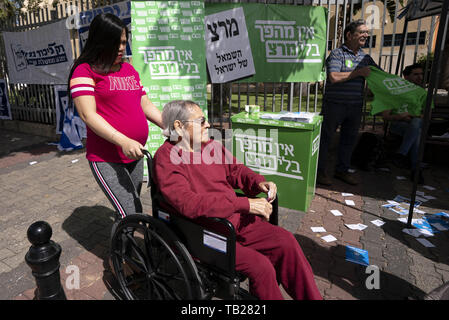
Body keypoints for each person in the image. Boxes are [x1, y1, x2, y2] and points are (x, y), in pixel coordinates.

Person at [153, 100, 323, 300]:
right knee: (262, 268)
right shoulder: (166, 158)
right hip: (205, 231)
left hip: (234, 220)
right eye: (201, 121)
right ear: (178, 126)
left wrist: (258, 183)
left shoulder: (209, 146)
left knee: (286, 242)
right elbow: (189, 204)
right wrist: (245, 204)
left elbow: (236, 170)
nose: (208, 125)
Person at [68, 13, 163, 231]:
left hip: (135, 154)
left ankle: (125, 253)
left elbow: (145, 104)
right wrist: (123, 140)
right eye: (115, 42)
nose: (121, 47)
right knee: (129, 211)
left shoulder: (128, 69)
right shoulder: (84, 71)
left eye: (123, 41)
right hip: (106, 157)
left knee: (133, 206)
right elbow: (88, 115)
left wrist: (169, 126)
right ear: (100, 41)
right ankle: (122, 262)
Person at [317, 19, 379, 186]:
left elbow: (378, 75)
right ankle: (320, 172)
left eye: (367, 32)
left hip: (355, 106)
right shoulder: (337, 54)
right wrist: (359, 73)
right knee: (325, 139)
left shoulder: (365, 57)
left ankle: (342, 171)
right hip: (334, 105)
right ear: (349, 35)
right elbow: (334, 77)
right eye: (362, 32)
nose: (366, 35)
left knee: (349, 140)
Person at [381, 64, 425, 183]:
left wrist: (411, 116)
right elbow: (385, 116)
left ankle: (401, 154)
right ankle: (416, 170)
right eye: (416, 74)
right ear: (406, 76)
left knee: (416, 125)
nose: (420, 77)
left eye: (421, 74)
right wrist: (399, 116)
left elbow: (427, 116)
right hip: (398, 125)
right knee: (417, 130)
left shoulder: (423, 94)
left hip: (416, 125)